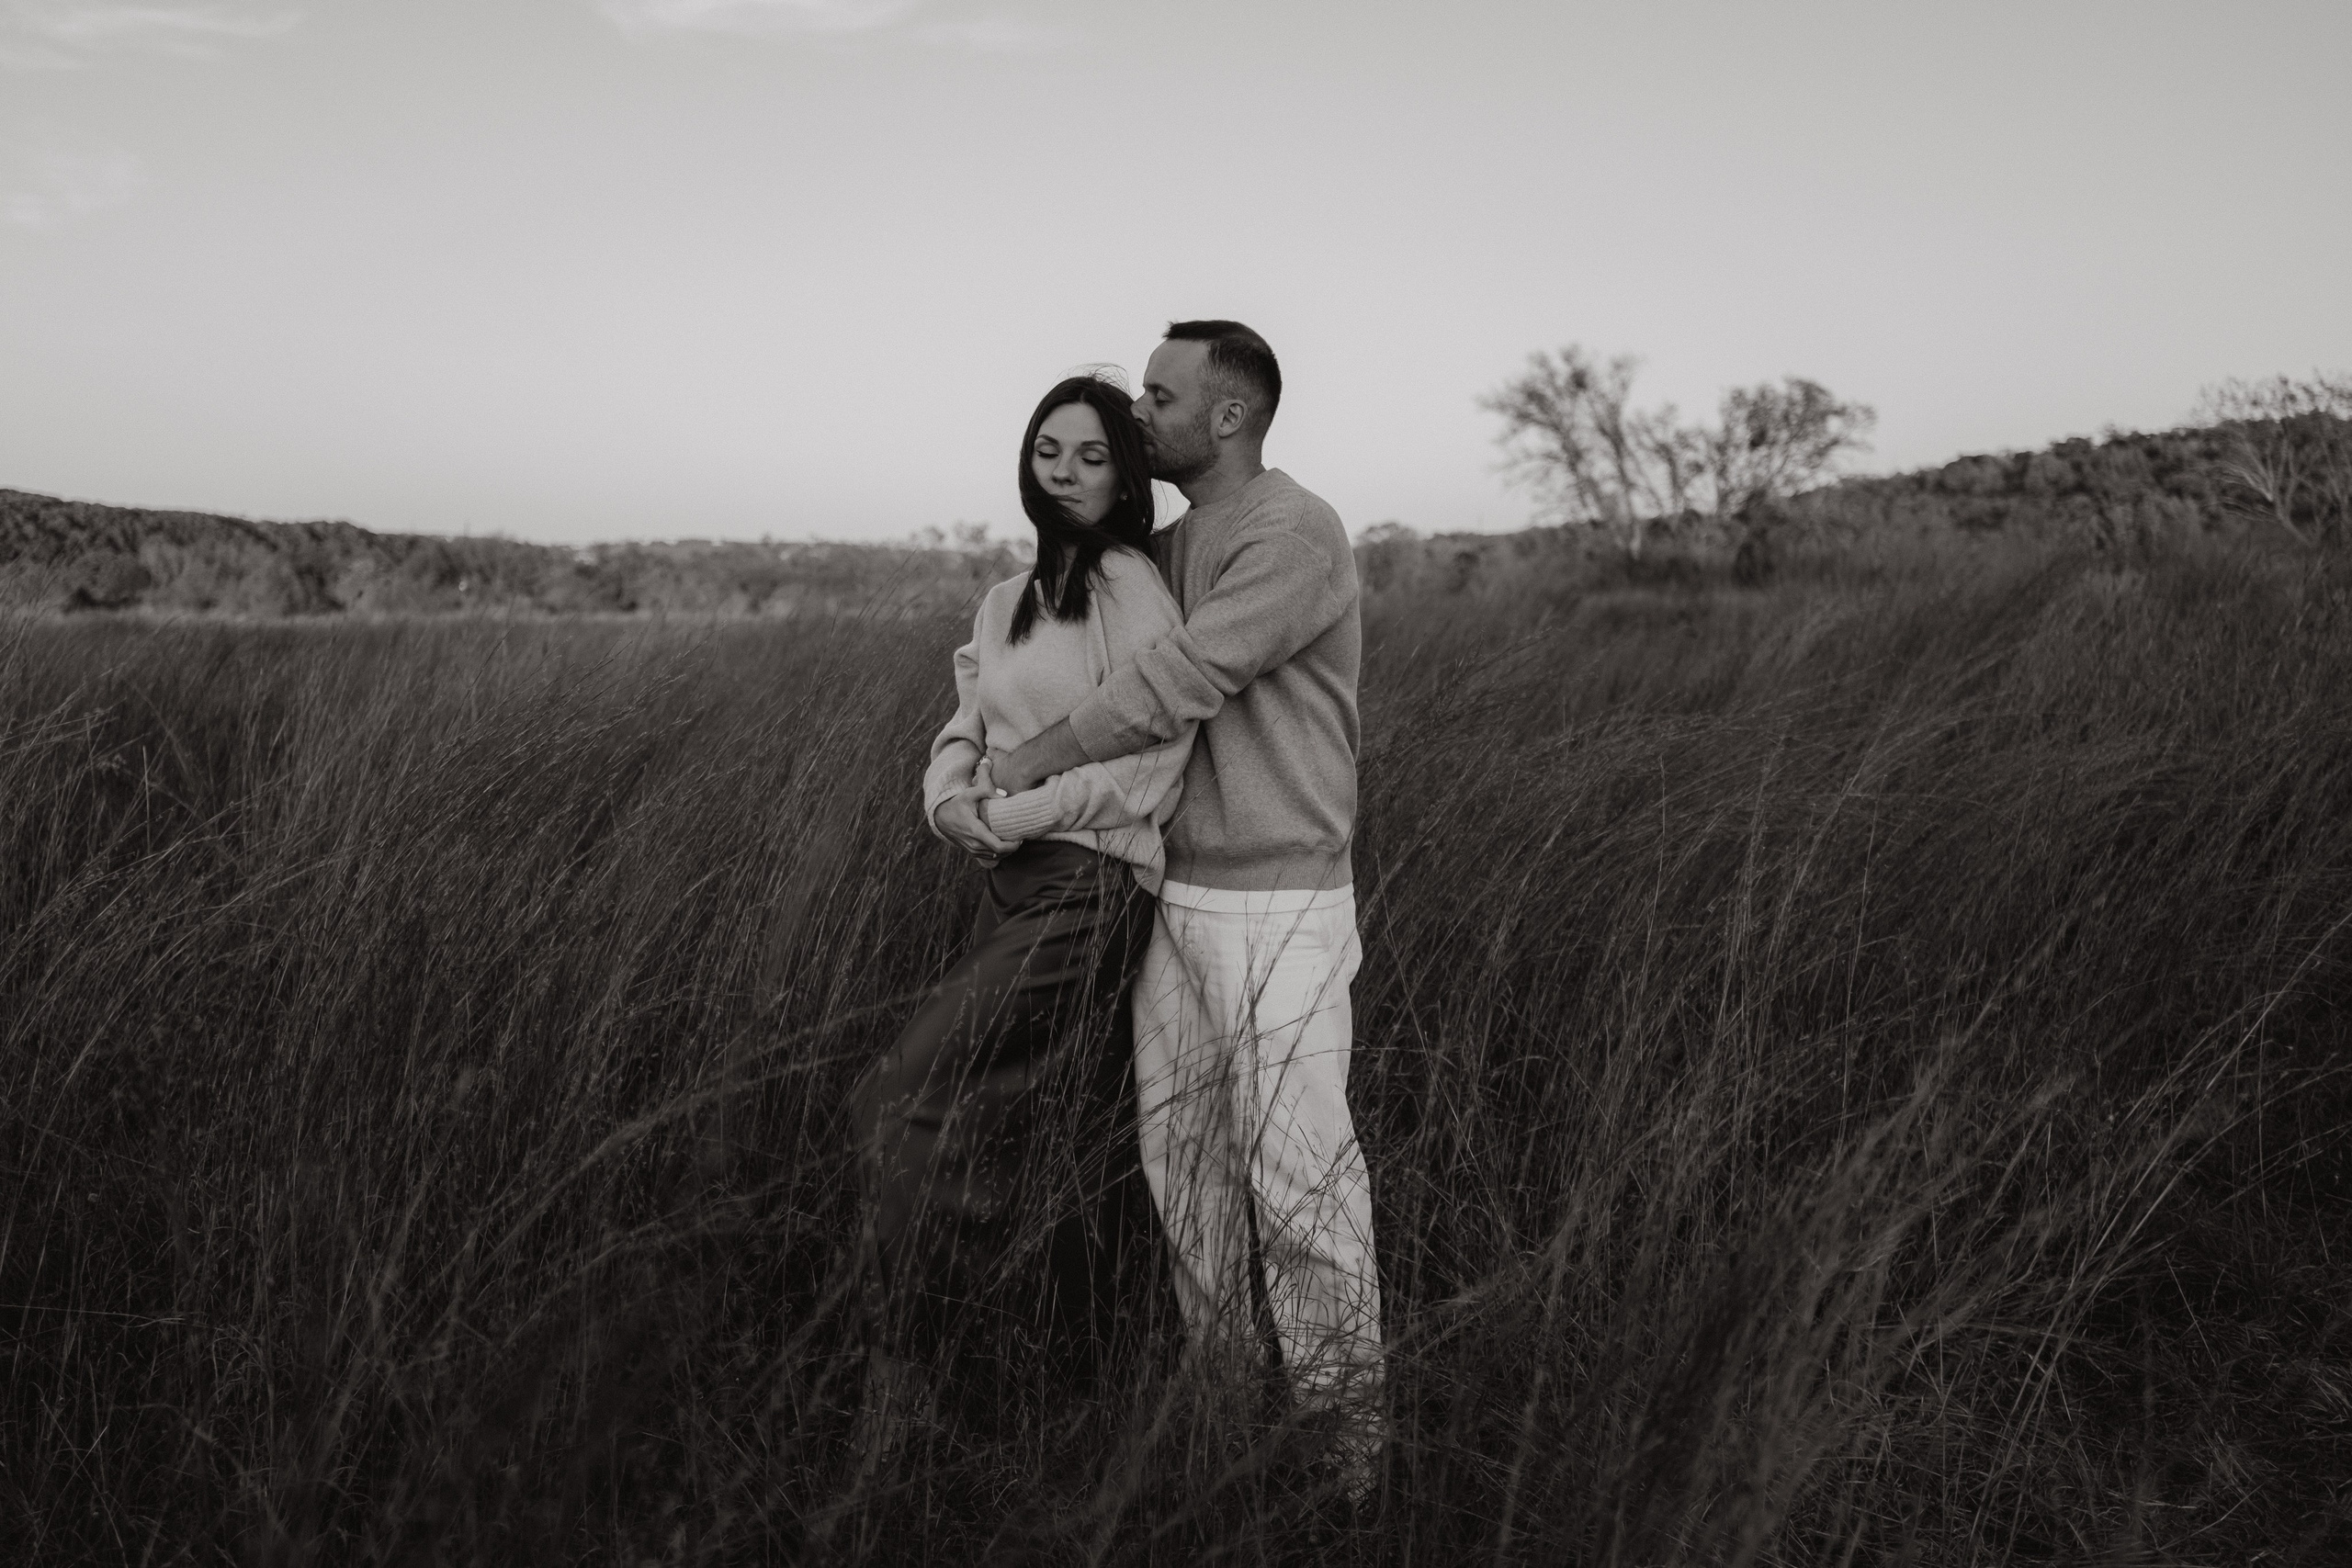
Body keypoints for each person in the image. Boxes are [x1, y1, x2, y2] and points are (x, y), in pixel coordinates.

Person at [992, 321, 1386, 1498]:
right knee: (1186, 1172)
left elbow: (1182, 680)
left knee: (1301, 1184)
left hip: (1277, 903)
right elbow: (1078, 659)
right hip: (1172, 893)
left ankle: (1347, 1466)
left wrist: (1038, 762)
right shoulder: (1163, 549)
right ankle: (1227, 1426)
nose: (1139, 414)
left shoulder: (1291, 532)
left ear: (1226, 416)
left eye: (1159, 396)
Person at [848, 373, 1195, 1458]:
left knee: (899, 1100)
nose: (1066, 472)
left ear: (1126, 473)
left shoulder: (1132, 584)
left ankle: (907, 1374)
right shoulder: (1004, 599)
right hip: (1009, 874)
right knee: (1036, 1129)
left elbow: (1155, 761)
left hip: (1087, 886)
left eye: (1093, 456)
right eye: (1050, 449)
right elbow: (964, 722)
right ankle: (1042, 1376)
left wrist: (1022, 806)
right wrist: (953, 802)